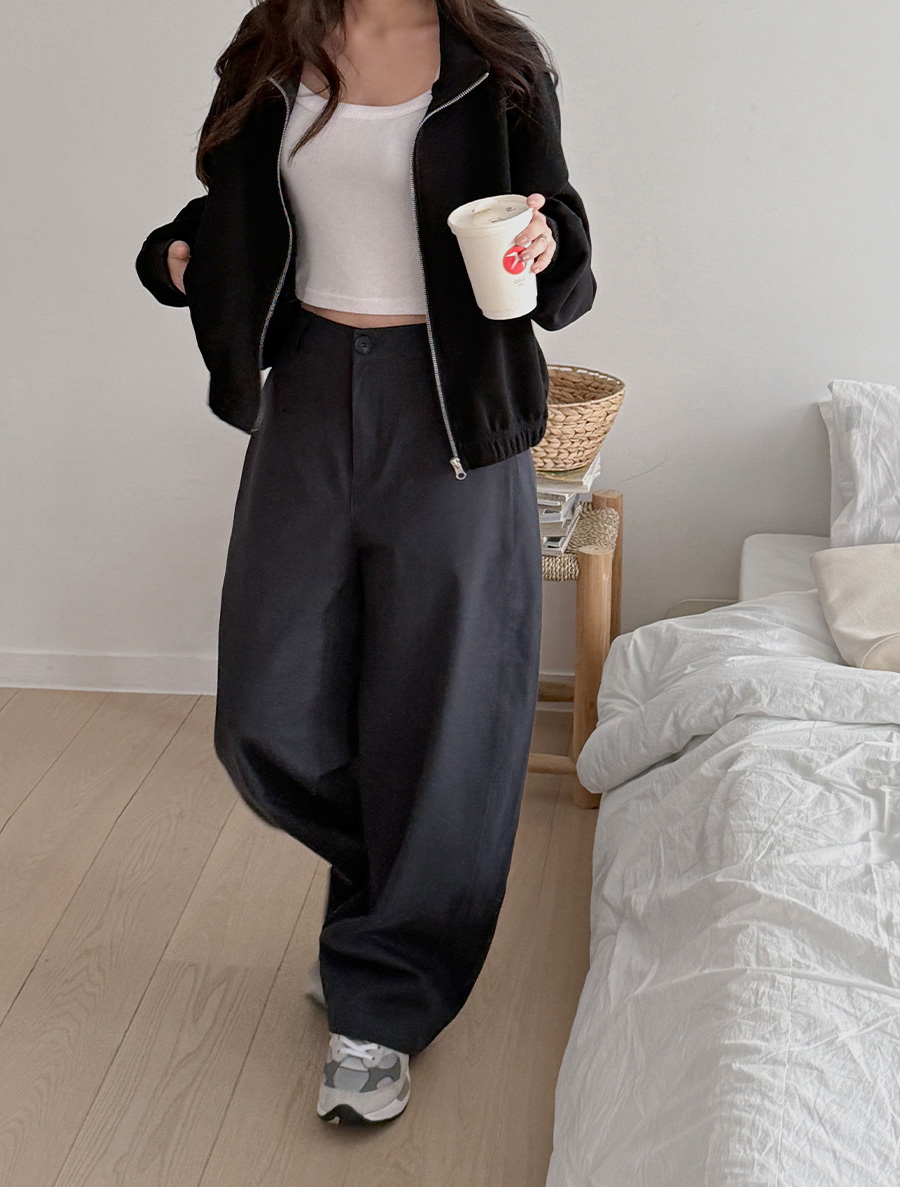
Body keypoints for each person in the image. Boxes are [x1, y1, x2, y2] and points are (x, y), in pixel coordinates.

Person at [135, 0, 595, 1126]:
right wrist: (179, 253)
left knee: (441, 710)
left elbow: (568, 258)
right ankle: (402, 900)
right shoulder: (273, 43)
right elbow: (241, 206)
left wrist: (545, 252)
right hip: (309, 395)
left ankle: (381, 1002)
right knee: (264, 711)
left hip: (451, 413)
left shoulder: (496, 63)